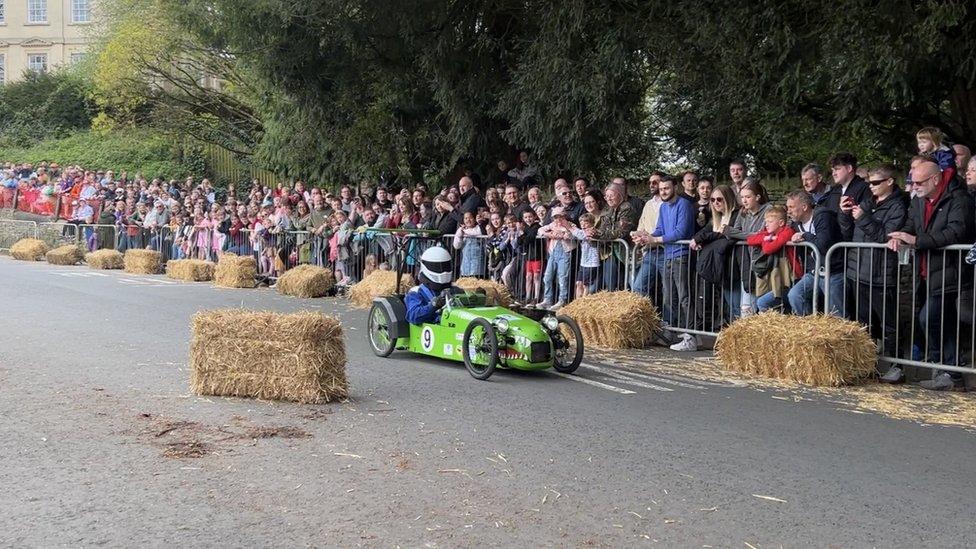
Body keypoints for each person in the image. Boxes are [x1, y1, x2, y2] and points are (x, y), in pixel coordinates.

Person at [887, 158, 975, 389]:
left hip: (952, 273)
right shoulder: (918, 201)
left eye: (919, 182)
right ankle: (947, 370)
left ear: (935, 179)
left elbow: (956, 233)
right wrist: (900, 236)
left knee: (932, 318)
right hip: (928, 272)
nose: (914, 187)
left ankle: (950, 370)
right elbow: (910, 224)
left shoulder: (958, 199)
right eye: (913, 183)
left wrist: (917, 241)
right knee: (939, 321)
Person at [837, 165, 908, 378]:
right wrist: (844, 214)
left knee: (889, 323)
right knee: (863, 321)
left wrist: (862, 218)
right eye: (869, 182)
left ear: (890, 182)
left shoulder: (898, 206)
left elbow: (885, 236)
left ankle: (897, 366)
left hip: (881, 272)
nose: (871, 186)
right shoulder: (868, 203)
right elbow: (847, 231)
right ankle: (865, 364)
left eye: (876, 182)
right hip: (858, 271)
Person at [643, 176, 695, 349]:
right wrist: (646, 236)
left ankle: (691, 336)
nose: (663, 191)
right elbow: (660, 229)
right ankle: (671, 332)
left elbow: (680, 232)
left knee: (684, 297)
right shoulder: (664, 207)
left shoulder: (684, 205)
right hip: (668, 255)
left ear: (675, 187)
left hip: (681, 255)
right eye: (661, 189)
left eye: (667, 188)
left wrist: (656, 239)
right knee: (669, 297)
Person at [785, 190, 844, 316]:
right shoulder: (796, 224)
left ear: (804, 207)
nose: (788, 211)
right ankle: (810, 330)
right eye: (787, 207)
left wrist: (805, 236)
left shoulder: (823, 217)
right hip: (813, 272)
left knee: (836, 314)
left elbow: (823, 245)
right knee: (795, 295)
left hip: (834, 272)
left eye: (791, 207)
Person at [689, 185, 739, 331]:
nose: (716, 202)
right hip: (717, 267)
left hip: (731, 266)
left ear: (728, 199)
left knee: (733, 305)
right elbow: (703, 232)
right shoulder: (716, 218)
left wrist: (702, 239)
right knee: (719, 302)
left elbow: (727, 235)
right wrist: (698, 239)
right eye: (713, 199)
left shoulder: (736, 215)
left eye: (719, 199)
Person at [722, 181, 772, 317]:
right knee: (746, 309)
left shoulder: (768, 210)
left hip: (763, 264)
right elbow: (734, 234)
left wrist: (731, 232)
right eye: (742, 197)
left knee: (762, 307)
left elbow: (761, 235)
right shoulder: (743, 212)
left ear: (757, 197)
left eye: (748, 197)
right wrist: (734, 233)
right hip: (746, 264)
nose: (744, 200)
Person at [747, 206, 800, 313]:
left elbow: (768, 249)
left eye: (770, 221)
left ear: (781, 223)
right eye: (766, 221)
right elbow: (750, 240)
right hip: (779, 276)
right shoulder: (770, 234)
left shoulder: (787, 232)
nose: (766, 224)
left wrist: (767, 240)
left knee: (762, 302)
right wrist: (767, 238)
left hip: (791, 277)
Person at [405, 246, 461, 325]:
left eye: (445, 266)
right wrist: (433, 305)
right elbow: (413, 316)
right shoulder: (415, 292)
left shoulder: (455, 290)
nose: (442, 270)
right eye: (437, 267)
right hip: (432, 330)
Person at [537, 206, 577, 310]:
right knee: (547, 277)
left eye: (560, 217)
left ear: (564, 216)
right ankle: (548, 299)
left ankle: (562, 300)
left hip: (564, 253)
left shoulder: (570, 225)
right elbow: (540, 229)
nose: (558, 219)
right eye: (555, 217)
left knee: (562, 277)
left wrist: (564, 234)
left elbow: (574, 234)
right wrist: (549, 234)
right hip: (553, 253)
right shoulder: (552, 225)